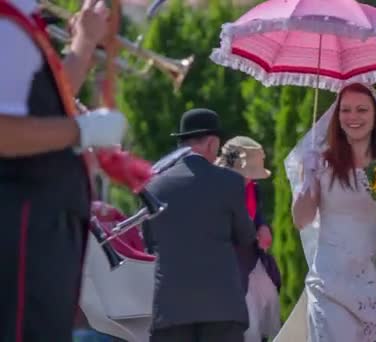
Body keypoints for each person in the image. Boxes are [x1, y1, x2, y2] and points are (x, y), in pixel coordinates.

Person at [0, 0, 127, 340]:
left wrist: (84, 42)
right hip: (24, 226)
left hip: (40, 224)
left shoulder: (18, 22)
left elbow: (55, 100)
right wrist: (82, 131)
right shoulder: (7, 25)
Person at [275, 83, 376, 341]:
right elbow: (301, 220)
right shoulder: (320, 162)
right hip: (330, 282)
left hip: (375, 282)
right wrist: (308, 182)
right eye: (345, 110)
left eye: (361, 110)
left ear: (375, 117)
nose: (353, 117)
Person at [143, 108, 257, 342]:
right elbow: (246, 236)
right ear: (212, 144)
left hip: (171, 309)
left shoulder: (153, 187)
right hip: (222, 308)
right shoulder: (230, 182)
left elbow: (150, 240)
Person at [216, 136, 282, 342]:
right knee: (246, 319)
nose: (249, 179)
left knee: (267, 298)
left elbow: (257, 216)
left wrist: (263, 227)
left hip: (251, 258)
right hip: (228, 265)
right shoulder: (218, 190)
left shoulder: (253, 188)